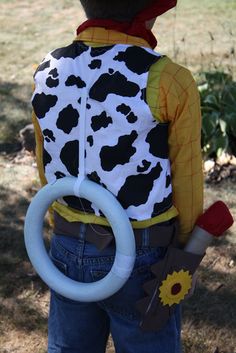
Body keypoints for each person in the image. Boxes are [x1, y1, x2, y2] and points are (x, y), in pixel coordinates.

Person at [31, 0, 203, 352]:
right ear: (149, 11)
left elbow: (44, 159)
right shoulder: (169, 79)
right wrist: (186, 250)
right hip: (143, 255)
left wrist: (59, 223)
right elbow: (187, 177)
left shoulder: (48, 69)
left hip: (65, 245)